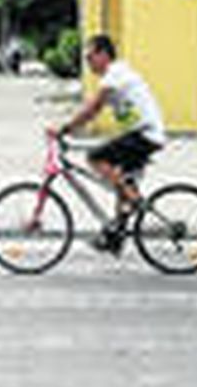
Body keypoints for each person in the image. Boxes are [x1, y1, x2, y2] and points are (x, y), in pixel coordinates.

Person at [48, 34, 167, 253]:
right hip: (140, 134)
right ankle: (115, 238)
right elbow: (93, 113)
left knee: (95, 157)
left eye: (90, 57)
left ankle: (134, 198)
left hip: (146, 135)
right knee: (121, 180)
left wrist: (64, 128)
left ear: (104, 55)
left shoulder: (115, 75)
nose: (88, 63)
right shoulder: (116, 75)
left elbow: (92, 109)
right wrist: (75, 130)